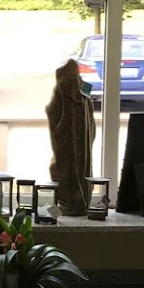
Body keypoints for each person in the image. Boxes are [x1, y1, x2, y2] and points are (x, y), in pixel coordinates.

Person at [46, 57, 94, 216]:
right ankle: (80, 202)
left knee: (62, 170)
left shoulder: (60, 90)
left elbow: (51, 110)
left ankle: (68, 203)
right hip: (82, 142)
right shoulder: (85, 87)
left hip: (66, 141)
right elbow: (90, 111)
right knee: (80, 170)